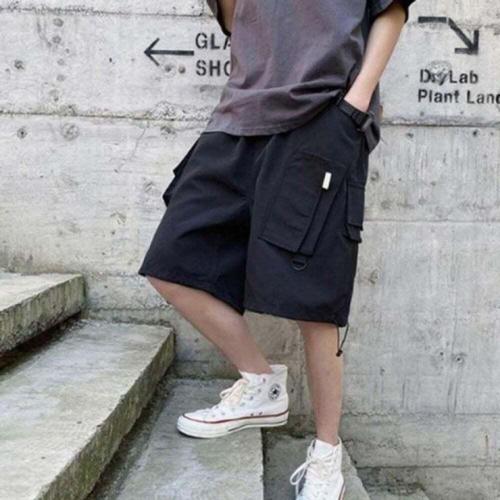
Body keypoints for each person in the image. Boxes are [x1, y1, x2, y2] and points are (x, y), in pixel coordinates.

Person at [138, 0, 416, 498]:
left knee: (315, 297)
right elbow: (237, 20)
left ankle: (326, 453)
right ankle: (261, 381)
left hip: (324, 114)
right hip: (239, 115)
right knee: (172, 261)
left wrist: (356, 103)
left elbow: (390, 10)